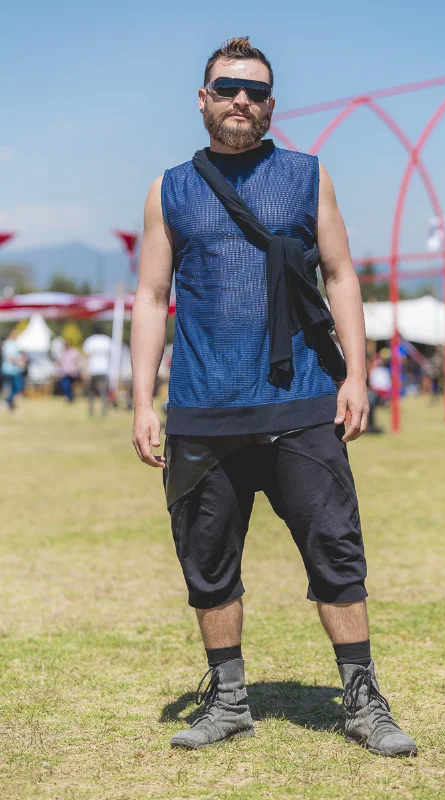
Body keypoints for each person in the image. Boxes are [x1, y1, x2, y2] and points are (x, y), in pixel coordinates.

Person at [131, 37, 417, 757]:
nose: (241, 100)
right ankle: (228, 701)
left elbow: (340, 274)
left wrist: (355, 375)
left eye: (255, 92)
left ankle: (363, 701)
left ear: (271, 105)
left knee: (335, 551)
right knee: (207, 561)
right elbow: (151, 295)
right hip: (203, 406)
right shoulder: (168, 189)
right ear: (203, 99)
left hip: (302, 402)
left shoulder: (306, 176)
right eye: (228, 88)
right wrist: (140, 399)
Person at [82, 326, 112, 416]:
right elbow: (111, 356)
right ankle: (104, 409)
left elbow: (87, 356)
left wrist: (85, 370)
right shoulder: (107, 340)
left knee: (91, 391)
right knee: (104, 391)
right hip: (104, 369)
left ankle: (91, 409)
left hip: (92, 369)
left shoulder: (90, 341)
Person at [1, 328, 25, 411]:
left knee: (17, 388)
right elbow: (8, 357)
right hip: (8, 370)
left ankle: (10, 402)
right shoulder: (8, 344)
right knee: (9, 388)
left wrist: (22, 360)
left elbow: (19, 355)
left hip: (15, 370)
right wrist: (17, 362)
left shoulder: (15, 344)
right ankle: (9, 404)